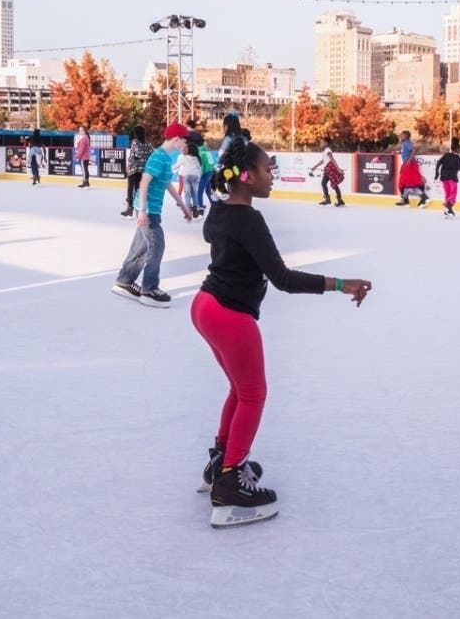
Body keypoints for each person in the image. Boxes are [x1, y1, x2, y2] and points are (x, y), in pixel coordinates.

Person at [192, 137, 372, 528]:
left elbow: (218, 241)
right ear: (245, 176)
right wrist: (343, 284)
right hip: (229, 315)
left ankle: (221, 462)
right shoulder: (248, 219)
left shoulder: (219, 211)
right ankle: (229, 483)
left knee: (239, 391)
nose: (272, 174)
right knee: (254, 395)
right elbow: (283, 279)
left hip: (205, 306)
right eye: (266, 168)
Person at [110, 122, 194, 308]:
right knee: (156, 245)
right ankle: (149, 289)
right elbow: (144, 182)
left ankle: (124, 280)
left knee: (141, 248)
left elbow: (166, 184)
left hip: (150, 210)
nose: (185, 146)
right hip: (148, 211)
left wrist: (183, 206)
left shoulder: (165, 158)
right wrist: (141, 211)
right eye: (184, 141)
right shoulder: (158, 157)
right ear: (176, 139)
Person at [434, 137, 460, 218]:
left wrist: (437, 173)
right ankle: (448, 206)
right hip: (452, 177)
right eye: (459, 149)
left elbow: (438, 163)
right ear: (458, 149)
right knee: (453, 192)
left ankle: (448, 209)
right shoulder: (457, 157)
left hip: (444, 177)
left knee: (448, 193)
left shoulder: (446, 155)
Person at [394, 130, 429, 207]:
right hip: (407, 165)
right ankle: (405, 200)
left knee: (409, 182)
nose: (400, 136)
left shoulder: (407, 143)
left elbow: (414, 149)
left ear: (406, 136)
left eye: (402, 135)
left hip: (410, 164)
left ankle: (424, 197)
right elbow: (404, 152)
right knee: (403, 183)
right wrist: (397, 152)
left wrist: (409, 159)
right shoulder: (405, 144)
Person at [122, 125, 151, 217]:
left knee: (130, 190)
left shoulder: (134, 142)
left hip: (134, 168)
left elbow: (132, 155)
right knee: (138, 190)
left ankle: (130, 209)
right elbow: (151, 155)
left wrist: (129, 165)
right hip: (142, 170)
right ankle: (138, 208)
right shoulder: (148, 144)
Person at [308, 137, 345, 207]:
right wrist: (314, 167)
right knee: (324, 183)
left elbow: (332, 160)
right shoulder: (325, 151)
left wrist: (339, 169)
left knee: (332, 184)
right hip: (327, 170)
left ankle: (337, 200)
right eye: (320, 142)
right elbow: (323, 161)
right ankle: (330, 200)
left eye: (321, 142)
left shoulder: (328, 150)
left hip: (330, 170)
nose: (320, 144)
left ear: (326, 143)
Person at [175, 139, 203, 218]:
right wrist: (199, 177)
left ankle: (188, 210)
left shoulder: (185, 157)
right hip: (195, 177)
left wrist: (169, 170)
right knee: (194, 194)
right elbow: (199, 169)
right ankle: (195, 210)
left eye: (186, 148)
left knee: (187, 194)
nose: (185, 149)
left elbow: (177, 165)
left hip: (187, 177)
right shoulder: (197, 158)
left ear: (189, 150)